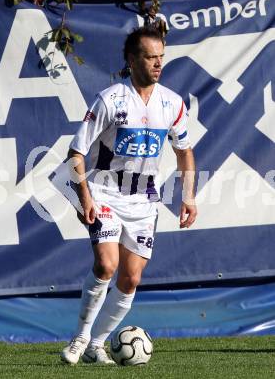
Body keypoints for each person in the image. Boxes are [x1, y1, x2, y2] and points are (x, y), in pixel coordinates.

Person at [62, 26, 197, 365]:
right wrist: (85, 198)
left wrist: (189, 197)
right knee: (106, 265)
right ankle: (80, 338)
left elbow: (184, 151)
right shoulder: (111, 99)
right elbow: (75, 153)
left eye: (161, 57)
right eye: (151, 57)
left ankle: (98, 344)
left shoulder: (172, 103)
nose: (158, 64)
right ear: (132, 59)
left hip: (144, 202)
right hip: (104, 192)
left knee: (131, 277)